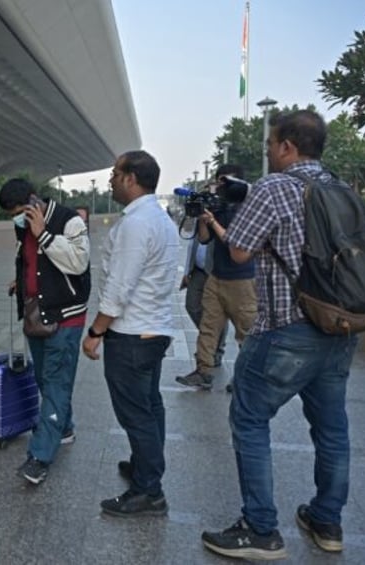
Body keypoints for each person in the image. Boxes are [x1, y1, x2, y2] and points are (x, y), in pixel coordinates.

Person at [202, 110, 358, 560]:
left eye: (272, 144)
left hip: (287, 329)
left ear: (288, 146)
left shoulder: (275, 187)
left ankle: (260, 528)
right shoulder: (340, 188)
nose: (269, 152)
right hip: (339, 328)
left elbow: (239, 248)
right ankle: (327, 522)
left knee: (249, 419)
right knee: (332, 429)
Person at [82, 150, 178, 517]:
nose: (110, 180)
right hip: (153, 330)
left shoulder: (137, 223)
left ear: (131, 178)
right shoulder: (159, 218)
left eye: (115, 173)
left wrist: (95, 331)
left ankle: (148, 491)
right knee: (150, 407)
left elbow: (119, 287)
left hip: (132, 334)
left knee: (136, 413)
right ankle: (145, 467)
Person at [0, 178, 90, 485]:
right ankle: (64, 427)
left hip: (66, 316)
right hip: (36, 314)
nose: (17, 217)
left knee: (55, 382)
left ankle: (39, 456)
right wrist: (20, 281)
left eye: (19, 211)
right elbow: (30, 261)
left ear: (34, 201)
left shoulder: (69, 220)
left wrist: (45, 235)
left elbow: (78, 263)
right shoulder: (22, 226)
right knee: (45, 379)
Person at [176, 164, 256, 391]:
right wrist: (203, 217)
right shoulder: (218, 208)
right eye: (218, 181)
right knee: (208, 327)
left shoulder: (248, 209)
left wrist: (213, 221)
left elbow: (235, 243)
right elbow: (203, 240)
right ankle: (203, 371)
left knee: (246, 333)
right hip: (216, 276)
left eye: (224, 181)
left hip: (242, 280)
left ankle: (245, 378)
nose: (219, 186)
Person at [180, 231, 227, 368]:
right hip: (198, 270)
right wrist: (186, 271)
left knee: (219, 313)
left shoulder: (221, 215)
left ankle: (215, 350)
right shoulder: (199, 216)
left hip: (216, 271)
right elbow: (191, 243)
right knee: (192, 305)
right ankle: (210, 340)